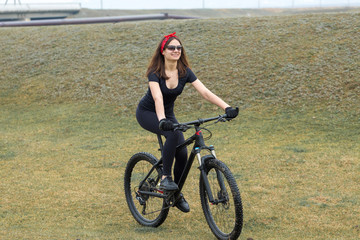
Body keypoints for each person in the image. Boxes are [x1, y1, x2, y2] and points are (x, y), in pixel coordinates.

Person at [136, 32, 238, 213]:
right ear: (163, 51)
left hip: (167, 114)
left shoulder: (184, 72)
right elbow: (158, 97)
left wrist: (226, 107)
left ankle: (175, 195)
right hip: (148, 113)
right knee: (173, 134)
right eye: (171, 47)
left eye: (179, 47)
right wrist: (162, 121)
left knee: (182, 152)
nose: (176, 50)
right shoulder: (155, 73)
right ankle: (166, 177)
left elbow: (205, 92)